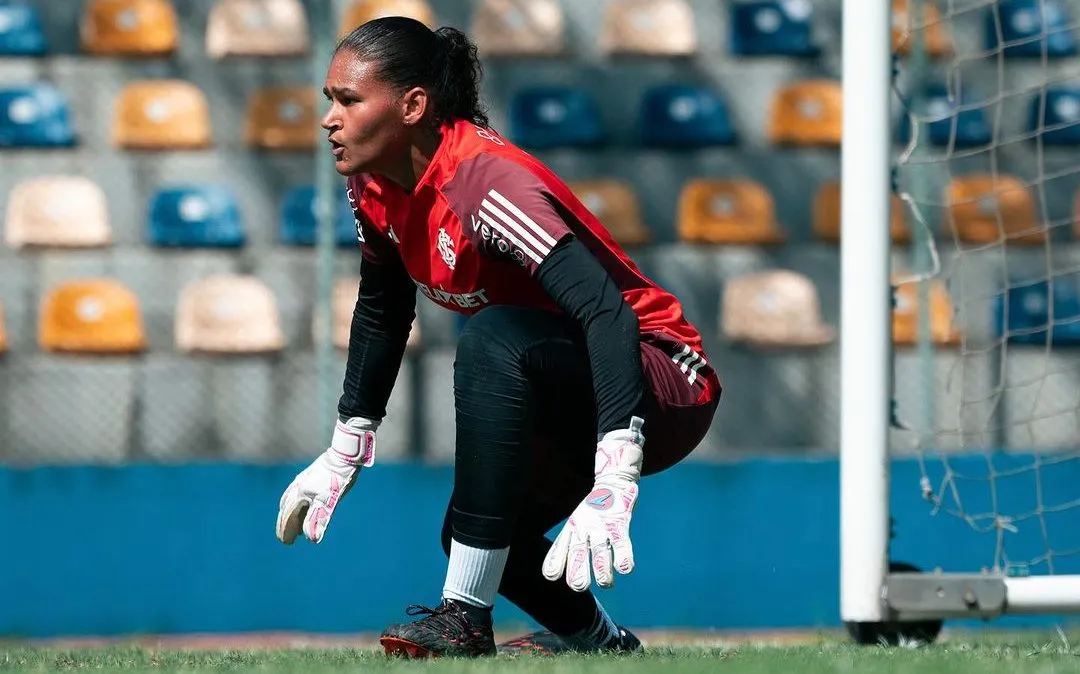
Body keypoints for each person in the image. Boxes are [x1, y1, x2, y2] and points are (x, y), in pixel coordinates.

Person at [274, 17, 721, 659]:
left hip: (661, 377)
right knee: (472, 534)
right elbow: (382, 308)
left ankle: (463, 618)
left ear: (414, 106)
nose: (329, 119)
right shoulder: (372, 184)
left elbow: (608, 314)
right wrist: (347, 445)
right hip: (567, 382)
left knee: (493, 336)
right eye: (329, 101)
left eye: (347, 100)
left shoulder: (484, 182)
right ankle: (598, 641)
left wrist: (617, 467)